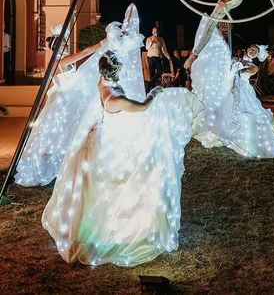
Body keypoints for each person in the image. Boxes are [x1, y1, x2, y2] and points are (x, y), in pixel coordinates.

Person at [42, 46, 201, 267]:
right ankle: (111, 229)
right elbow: (143, 107)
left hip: (101, 134)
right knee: (115, 182)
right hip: (105, 144)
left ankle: (97, 225)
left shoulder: (103, 81)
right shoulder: (114, 99)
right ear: (115, 71)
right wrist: (155, 91)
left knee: (97, 187)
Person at [14, 5, 143, 187]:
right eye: (65, 43)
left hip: (63, 97)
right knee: (65, 131)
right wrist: (103, 43)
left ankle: (61, 161)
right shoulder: (62, 60)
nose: (67, 45)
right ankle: (60, 163)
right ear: (58, 46)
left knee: (61, 133)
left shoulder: (55, 61)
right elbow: (84, 53)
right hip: (65, 100)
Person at [191, 16, 274, 158]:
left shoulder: (252, 66)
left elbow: (245, 71)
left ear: (257, 55)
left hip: (243, 90)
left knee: (244, 110)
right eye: (251, 49)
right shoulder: (237, 59)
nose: (251, 51)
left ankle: (242, 130)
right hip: (232, 86)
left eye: (254, 51)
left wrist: (239, 67)